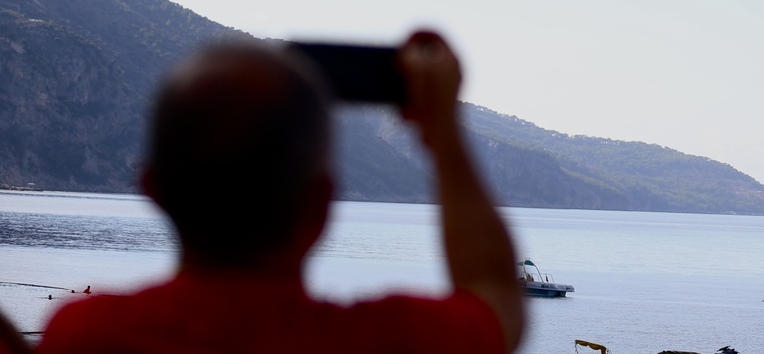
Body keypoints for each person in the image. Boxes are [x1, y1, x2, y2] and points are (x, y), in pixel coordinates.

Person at [37, 30, 525, 353]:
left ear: (154, 190)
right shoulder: (387, 340)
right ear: (320, 207)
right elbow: (495, 295)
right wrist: (443, 130)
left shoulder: (86, 335)